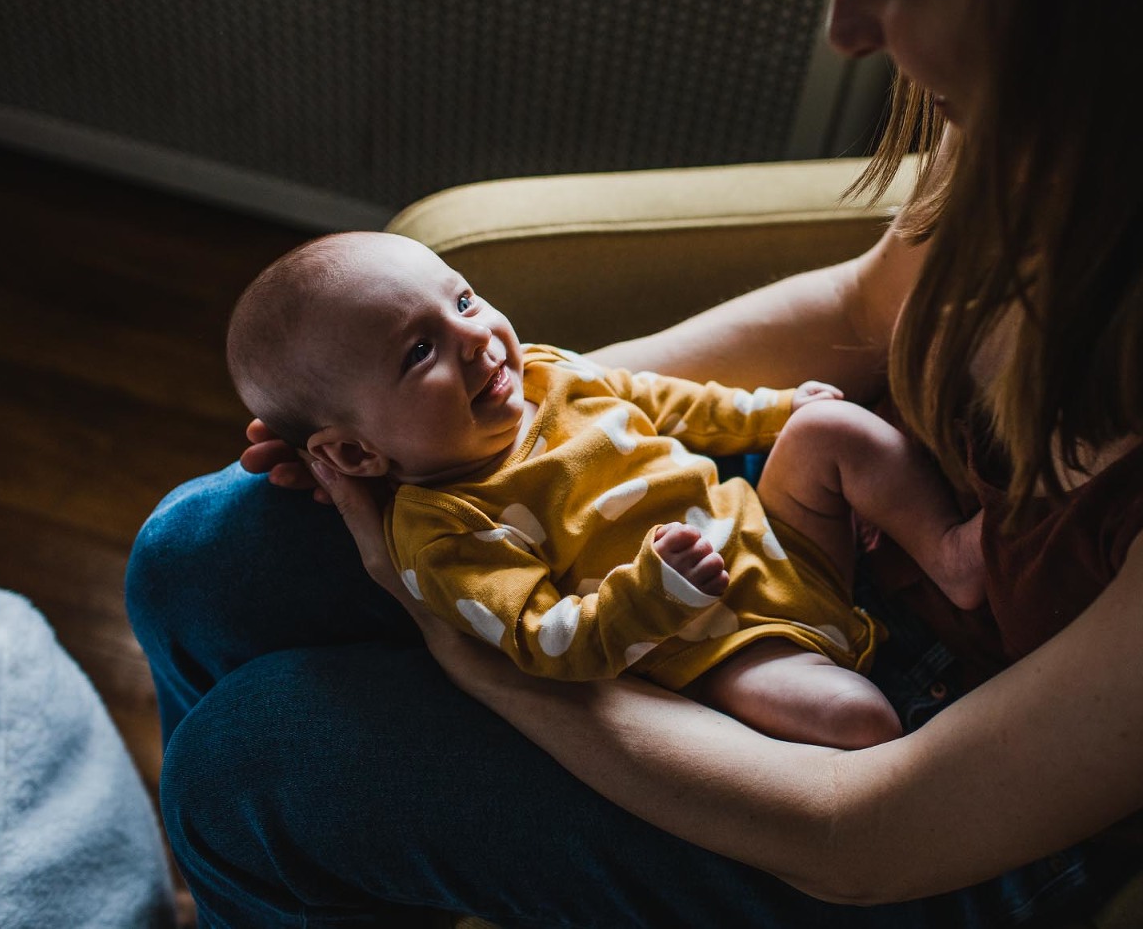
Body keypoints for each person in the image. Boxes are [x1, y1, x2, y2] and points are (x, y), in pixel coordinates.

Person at [125, 0, 1143, 925]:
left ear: (1117, 9)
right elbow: (856, 315)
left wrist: (470, 641)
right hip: (819, 545)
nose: (849, 25)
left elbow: (870, 826)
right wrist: (515, 439)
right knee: (207, 552)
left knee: (257, 764)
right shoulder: (1097, 131)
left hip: (925, 788)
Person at [224, 230, 987, 749]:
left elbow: (675, 404)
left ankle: (950, 555)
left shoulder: (551, 372)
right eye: (420, 350)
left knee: (835, 433)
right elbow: (545, 642)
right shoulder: (442, 532)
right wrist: (650, 595)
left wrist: (781, 412)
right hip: (720, 649)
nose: (477, 338)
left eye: (462, 301)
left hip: (780, 535)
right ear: (354, 453)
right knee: (861, 720)